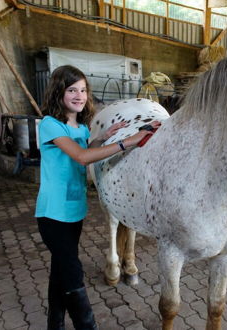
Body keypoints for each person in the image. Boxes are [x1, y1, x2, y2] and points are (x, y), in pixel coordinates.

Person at [35, 65, 160, 330]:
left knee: (60, 274)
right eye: (72, 90)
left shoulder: (79, 127)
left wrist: (104, 136)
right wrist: (130, 141)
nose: (79, 96)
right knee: (73, 277)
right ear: (59, 92)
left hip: (74, 212)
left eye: (82, 90)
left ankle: (54, 324)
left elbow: (85, 150)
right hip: (52, 215)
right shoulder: (49, 124)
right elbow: (81, 158)